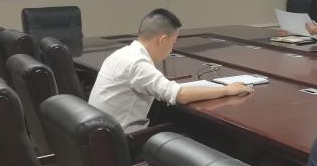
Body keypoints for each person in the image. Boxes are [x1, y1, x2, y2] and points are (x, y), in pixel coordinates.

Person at [88, 9, 254, 132]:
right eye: (173, 43)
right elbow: (180, 95)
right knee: (196, 131)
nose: (172, 48)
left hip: (103, 138)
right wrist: (226, 90)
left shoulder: (121, 54)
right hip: (124, 143)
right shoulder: (138, 64)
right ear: (162, 40)